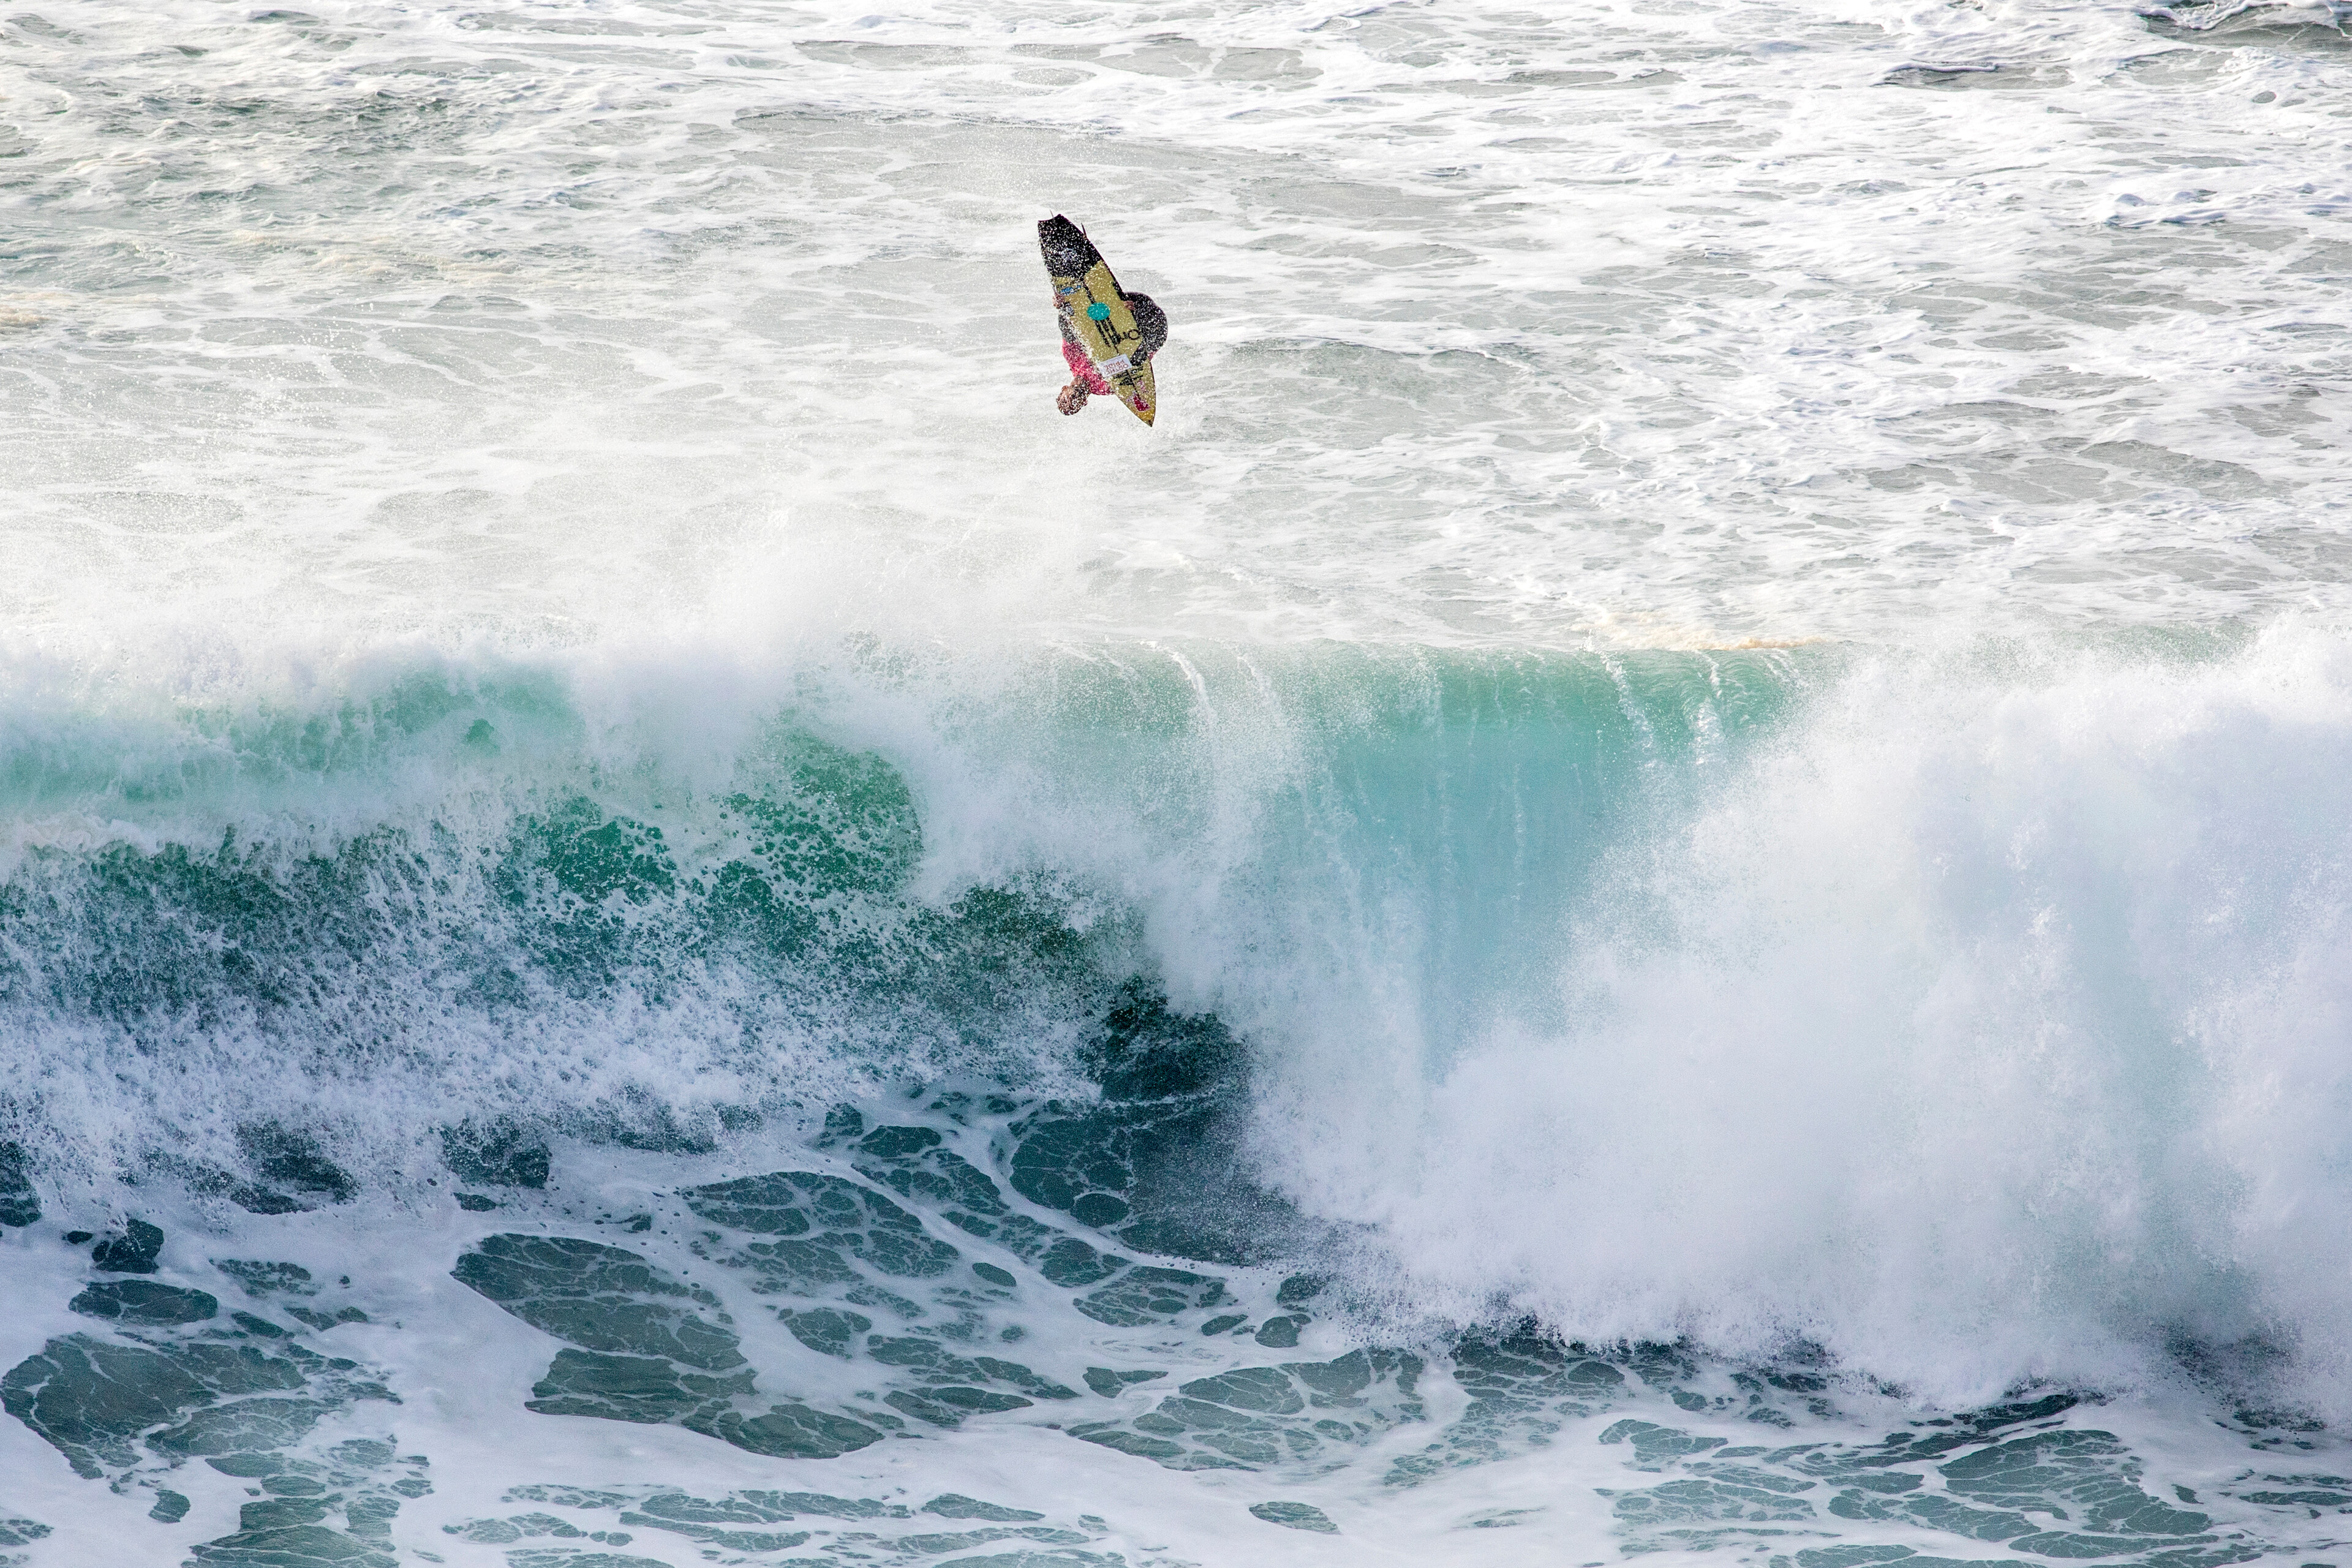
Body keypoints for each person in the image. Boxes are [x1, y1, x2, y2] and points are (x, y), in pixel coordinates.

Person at [1057, 290, 1167, 415]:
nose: (1081, 388)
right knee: (1132, 358)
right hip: (1153, 330)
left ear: (1065, 388)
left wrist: (1063, 306)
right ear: (1085, 401)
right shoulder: (1108, 386)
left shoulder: (1073, 359)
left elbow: (1067, 327)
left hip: (1133, 302)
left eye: (1075, 390)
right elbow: (1138, 360)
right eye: (1081, 395)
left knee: (1071, 333)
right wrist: (1130, 318)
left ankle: (1068, 301)